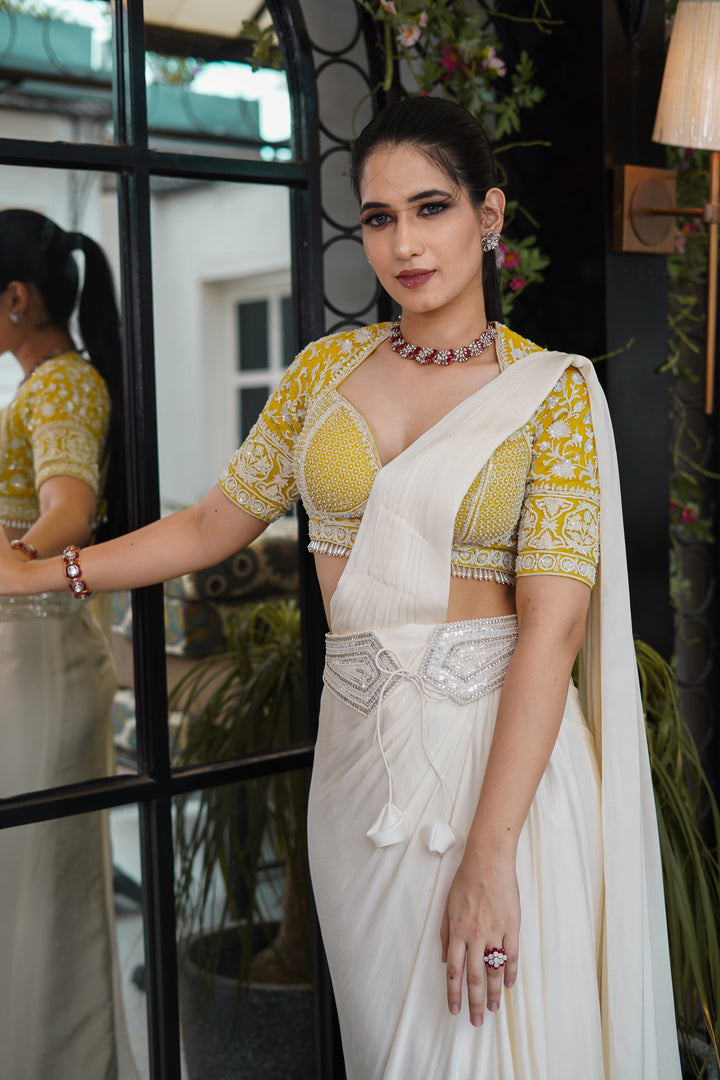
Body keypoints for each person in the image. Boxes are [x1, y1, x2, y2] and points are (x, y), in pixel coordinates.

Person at [0, 100, 681, 1078]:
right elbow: (209, 526)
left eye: (430, 208)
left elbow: (553, 630)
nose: (403, 242)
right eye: (377, 217)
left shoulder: (554, 395)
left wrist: (491, 856)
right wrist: (48, 570)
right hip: (357, 772)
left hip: (500, 772)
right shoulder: (326, 371)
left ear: (487, 218)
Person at [0, 209, 138, 1078]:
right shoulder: (46, 383)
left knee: (41, 884)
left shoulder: (60, 385)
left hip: (40, 656)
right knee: (29, 881)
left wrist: (13, 566)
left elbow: (70, 514)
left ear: (15, 298)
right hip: (29, 657)